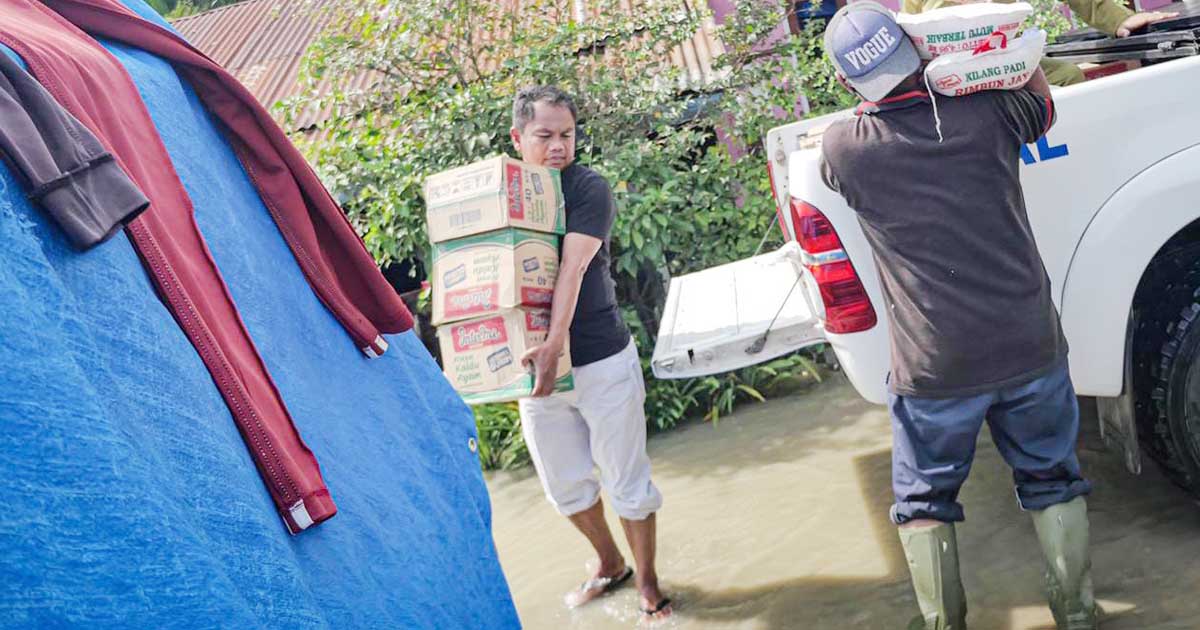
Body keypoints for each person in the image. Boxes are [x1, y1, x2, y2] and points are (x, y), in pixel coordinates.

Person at [818, 3, 1098, 629]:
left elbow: (848, 150)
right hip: (1028, 342)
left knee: (924, 503)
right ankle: (1078, 615)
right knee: (1053, 480)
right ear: (917, 50)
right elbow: (1040, 98)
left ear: (845, 81)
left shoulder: (844, 149)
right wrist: (987, 53)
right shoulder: (990, 113)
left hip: (935, 365)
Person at [511, 85, 672, 623]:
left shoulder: (587, 187)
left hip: (601, 359)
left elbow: (574, 266)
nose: (558, 146)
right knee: (563, 484)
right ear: (518, 138)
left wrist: (556, 343)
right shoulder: (506, 199)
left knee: (627, 480)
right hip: (534, 371)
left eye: (567, 134)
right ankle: (609, 562)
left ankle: (648, 584)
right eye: (545, 135)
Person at [903, 0, 1178, 85]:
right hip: (948, 77)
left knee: (1068, 75)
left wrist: (1120, 19)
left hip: (1006, 61)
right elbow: (909, 30)